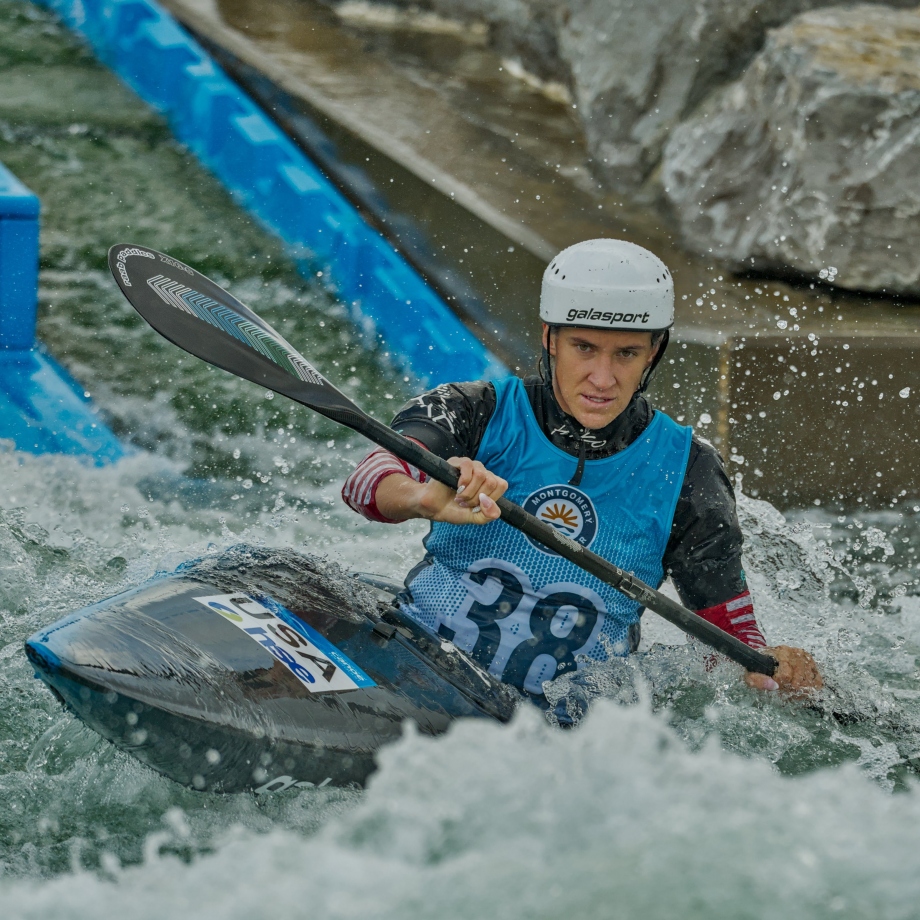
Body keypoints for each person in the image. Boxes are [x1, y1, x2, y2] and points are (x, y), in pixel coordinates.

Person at [342, 239, 822, 705]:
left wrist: (774, 667)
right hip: (413, 669)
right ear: (550, 337)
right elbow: (367, 482)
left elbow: (729, 641)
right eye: (585, 348)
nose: (603, 378)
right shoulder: (474, 409)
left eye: (627, 354)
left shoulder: (689, 470)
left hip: (557, 727)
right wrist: (426, 498)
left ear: (654, 351)